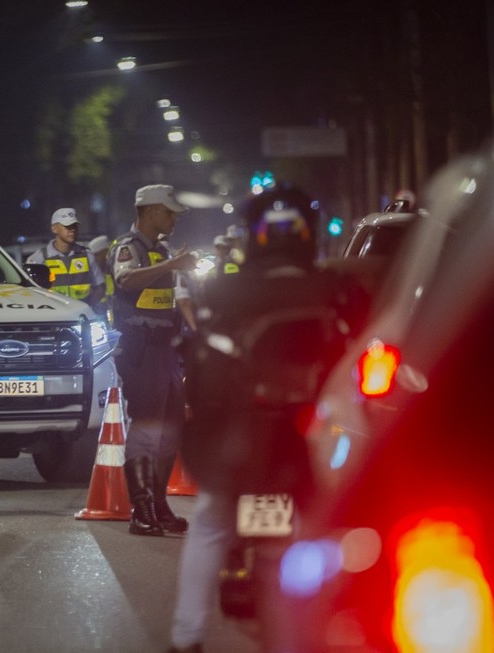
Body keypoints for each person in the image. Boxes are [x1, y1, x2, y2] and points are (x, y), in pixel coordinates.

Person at [167, 183, 369, 653]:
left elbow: (203, 361)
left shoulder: (224, 288)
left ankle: (185, 636)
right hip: (305, 441)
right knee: (320, 530)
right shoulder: (334, 286)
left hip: (244, 438)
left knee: (212, 520)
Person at [109, 184, 198, 537]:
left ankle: (158, 504)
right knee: (146, 428)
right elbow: (125, 281)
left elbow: (179, 297)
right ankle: (140, 509)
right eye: (168, 211)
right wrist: (174, 264)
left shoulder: (163, 250)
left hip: (166, 352)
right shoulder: (127, 248)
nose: (174, 217)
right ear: (148, 211)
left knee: (171, 430)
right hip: (140, 351)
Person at [26, 208, 105, 312]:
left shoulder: (86, 255)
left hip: (82, 317)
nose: (72, 229)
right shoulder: (39, 259)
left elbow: (100, 287)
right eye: (67, 226)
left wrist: (88, 307)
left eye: (74, 226)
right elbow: (30, 292)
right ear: (54, 228)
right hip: (53, 317)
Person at [87, 234, 114, 324]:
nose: (94, 259)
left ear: (106, 252)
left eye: (97, 255)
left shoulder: (115, 270)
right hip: (101, 315)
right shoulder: (95, 273)